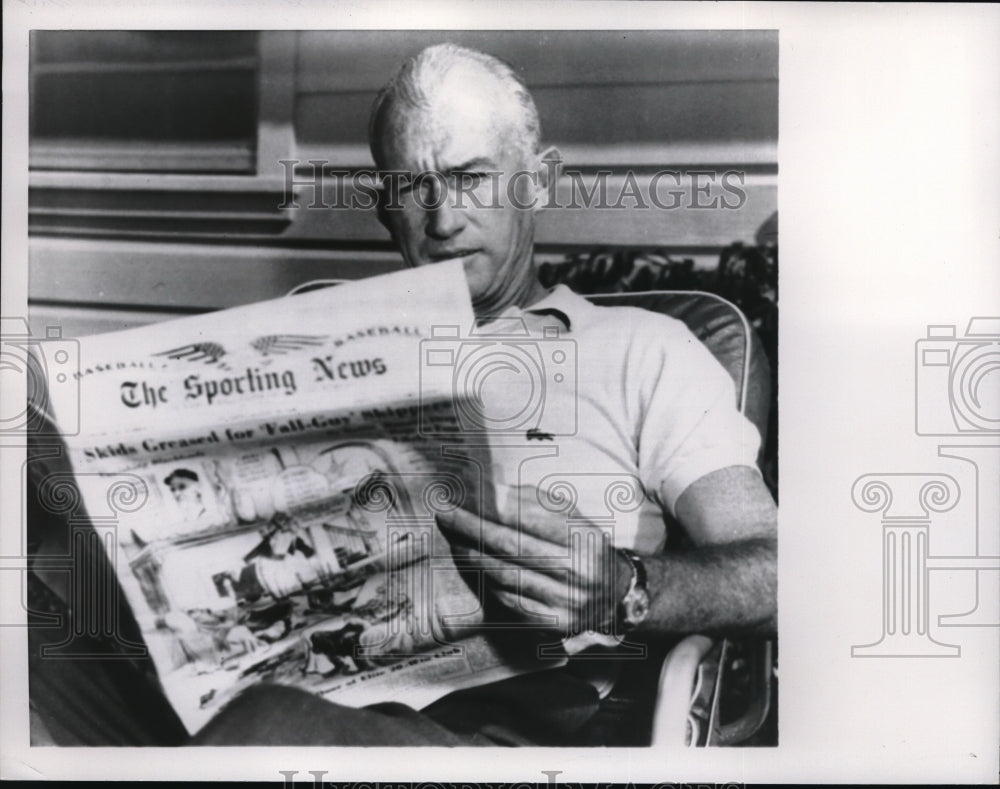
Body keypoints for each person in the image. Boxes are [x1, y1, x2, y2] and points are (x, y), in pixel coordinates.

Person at [193, 43, 777, 747]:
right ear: (384, 207)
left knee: (266, 725)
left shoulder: (645, 350)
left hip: (496, 735)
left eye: (470, 178)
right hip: (308, 686)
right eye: (413, 187)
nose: (441, 222)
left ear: (538, 181)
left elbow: (780, 576)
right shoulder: (311, 353)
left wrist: (627, 587)